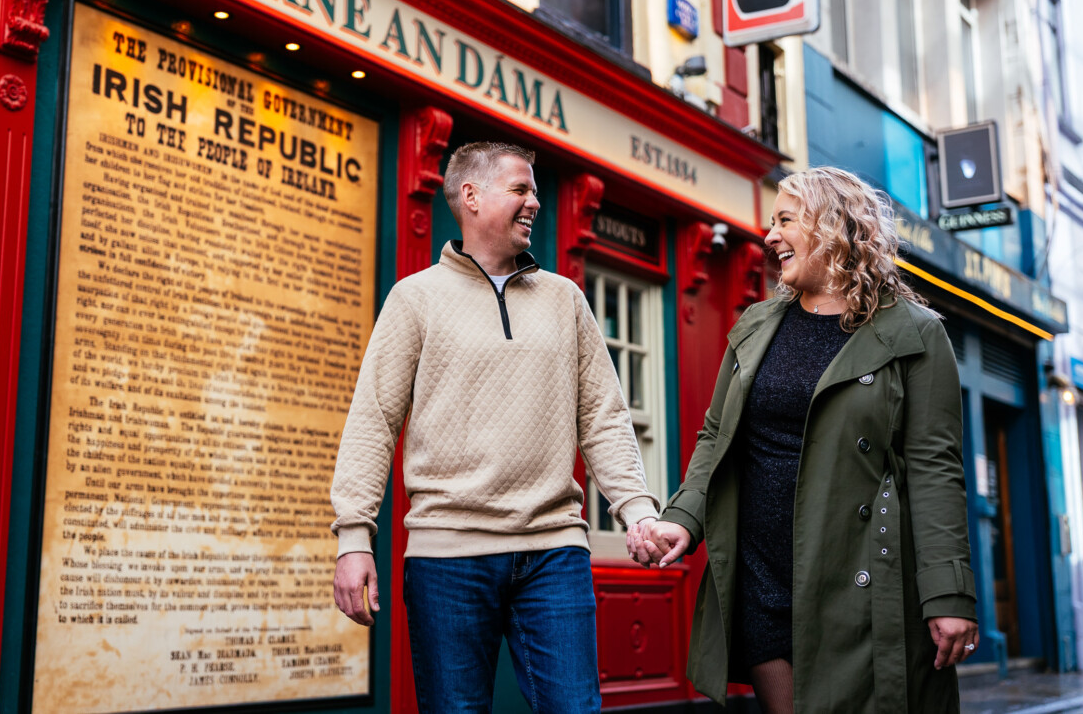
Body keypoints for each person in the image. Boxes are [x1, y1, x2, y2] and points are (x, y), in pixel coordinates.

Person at [331, 141, 670, 713]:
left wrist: (636, 510)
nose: (535, 202)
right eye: (521, 189)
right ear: (471, 196)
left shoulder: (565, 299)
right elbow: (373, 420)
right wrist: (353, 539)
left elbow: (604, 417)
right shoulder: (415, 299)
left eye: (534, 190)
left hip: (554, 552)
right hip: (447, 559)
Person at [627, 167, 978, 714]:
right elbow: (718, 434)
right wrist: (683, 517)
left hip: (859, 579)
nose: (769, 237)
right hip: (763, 575)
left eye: (785, 220)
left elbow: (935, 468)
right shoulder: (756, 324)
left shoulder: (915, 332)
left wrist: (948, 592)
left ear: (835, 227)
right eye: (771, 223)